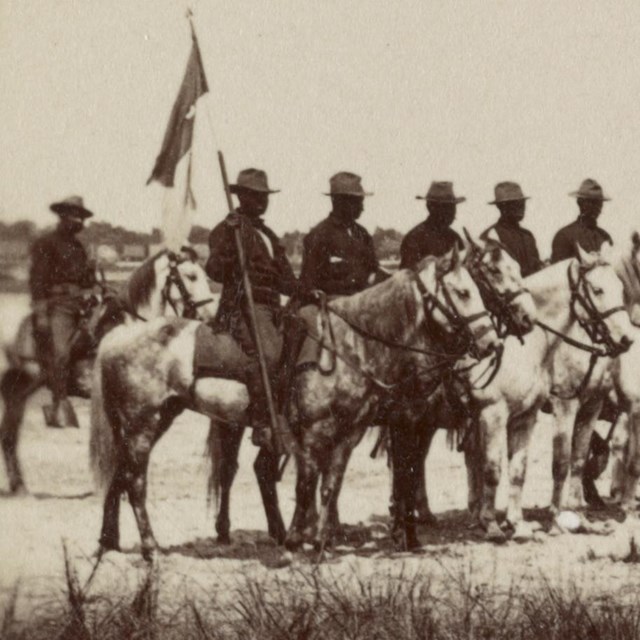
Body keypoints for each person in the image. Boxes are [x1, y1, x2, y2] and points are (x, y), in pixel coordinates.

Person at [206, 168, 303, 448]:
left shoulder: (269, 235)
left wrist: (308, 292)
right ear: (241, 197)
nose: (261, 201)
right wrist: (231, 249)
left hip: (273, 306)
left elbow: (286, 280)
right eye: (254, 196)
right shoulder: (226, 229)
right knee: (270, 354)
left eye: (264, 196)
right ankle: (261, 422)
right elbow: (214, 270)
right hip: (244, 307)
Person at [29, 195, 96, 428]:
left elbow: (87, 281)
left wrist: (92, 273)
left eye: (81, 217)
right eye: (74, 216)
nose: (79, 221)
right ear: (63, 216)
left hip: (82, 303)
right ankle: (59, 403)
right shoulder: (45, 243)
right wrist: (40, 313)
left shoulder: (80, 247)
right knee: (61, 352)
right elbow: (37, 280)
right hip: (58, 304)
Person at [300, 172, 387, 296]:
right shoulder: (319, 235)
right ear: (340, 202)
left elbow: (374, 270)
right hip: (334, 307)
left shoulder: (362, 234)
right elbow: (308, 282)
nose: (362, 208)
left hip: (365, 304)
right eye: (358, 202)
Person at [481, 181, 542, 277]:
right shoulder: (491, 236)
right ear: (502, 207)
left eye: (522, 202)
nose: (521, 207)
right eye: (515, 203)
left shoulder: (528, 236)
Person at [399, 181, 465, 270]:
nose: (453, 213)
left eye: (453, 207)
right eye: (446, 207)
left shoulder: (454, 238)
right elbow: (406, 275)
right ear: (431, 207)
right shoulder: (414, 238)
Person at [551, 178, 612, 263]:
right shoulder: (564, 236)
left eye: (599, 203)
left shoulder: (604, 237)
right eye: (592, 202)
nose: (597, 207)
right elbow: (559, 272)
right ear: (580, 203)